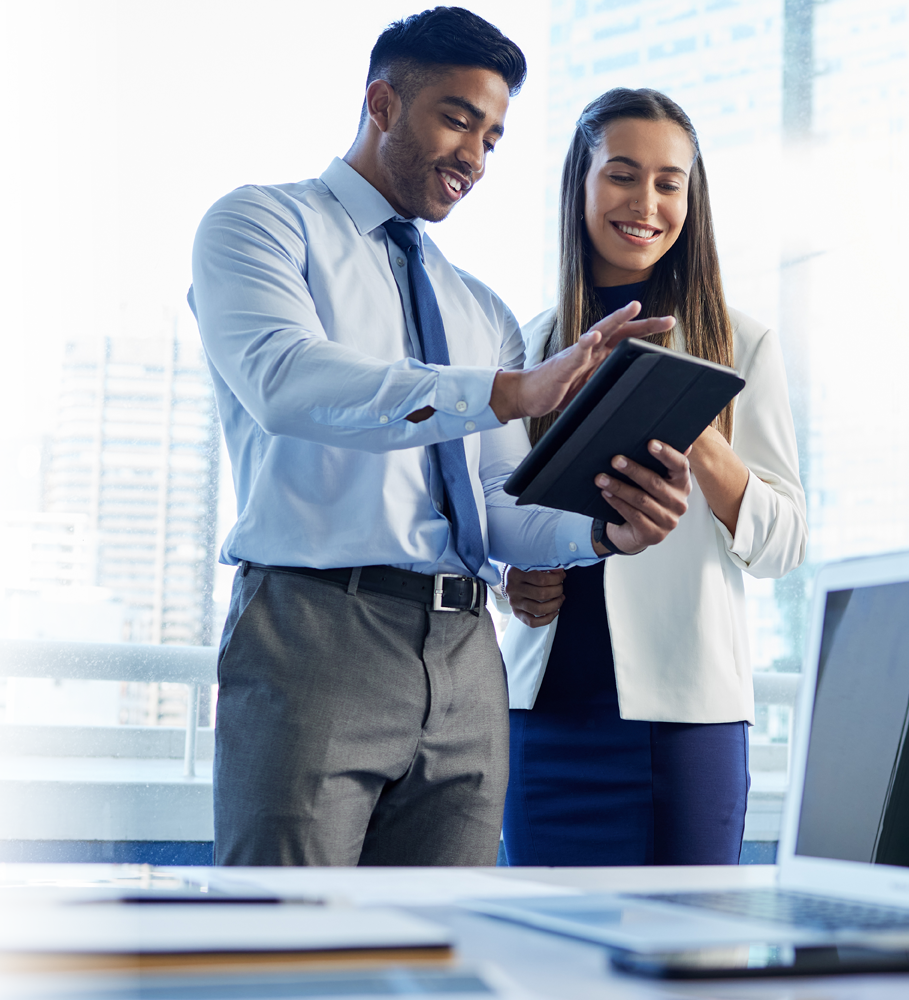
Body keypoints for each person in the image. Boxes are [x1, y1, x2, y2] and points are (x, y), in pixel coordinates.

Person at [188, 9, 691, 868]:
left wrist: (603, 530)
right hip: (316, 630)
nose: (475, 156)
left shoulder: (479, 309)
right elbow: (288, 383)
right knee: (284, 946)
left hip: (466, 658)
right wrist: (505, 392)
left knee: (439, 957)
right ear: (382, 103)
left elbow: (497, 506)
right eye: (457, 119)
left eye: (493, 137)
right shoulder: (262, 226)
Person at [499, 88, 807, 867]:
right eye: (623, 175)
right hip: (545, 714)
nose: (646, 202)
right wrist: (512, 576)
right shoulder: (528, 345)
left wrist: (700, 433)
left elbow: (785, 544)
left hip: (687, 722)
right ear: (581, 184)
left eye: (670, 182)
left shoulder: (743, 343)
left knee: (691, 973)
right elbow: (496, 516)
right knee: (548, 976)